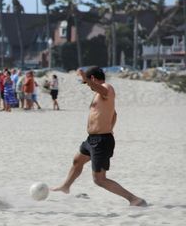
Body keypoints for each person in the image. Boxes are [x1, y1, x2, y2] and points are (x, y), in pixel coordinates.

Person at [51, 66, 146, 206]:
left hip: (101, 141)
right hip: (92, 140)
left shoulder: (106, 88)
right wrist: (110, 128)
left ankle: (134, 199)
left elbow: (104, 91)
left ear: (93, 79)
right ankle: (66, 186)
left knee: (99, 180)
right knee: (78, 160)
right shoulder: (98, 94)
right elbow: (114, 114)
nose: (88, 86)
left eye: (88, 83)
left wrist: (86, 80)